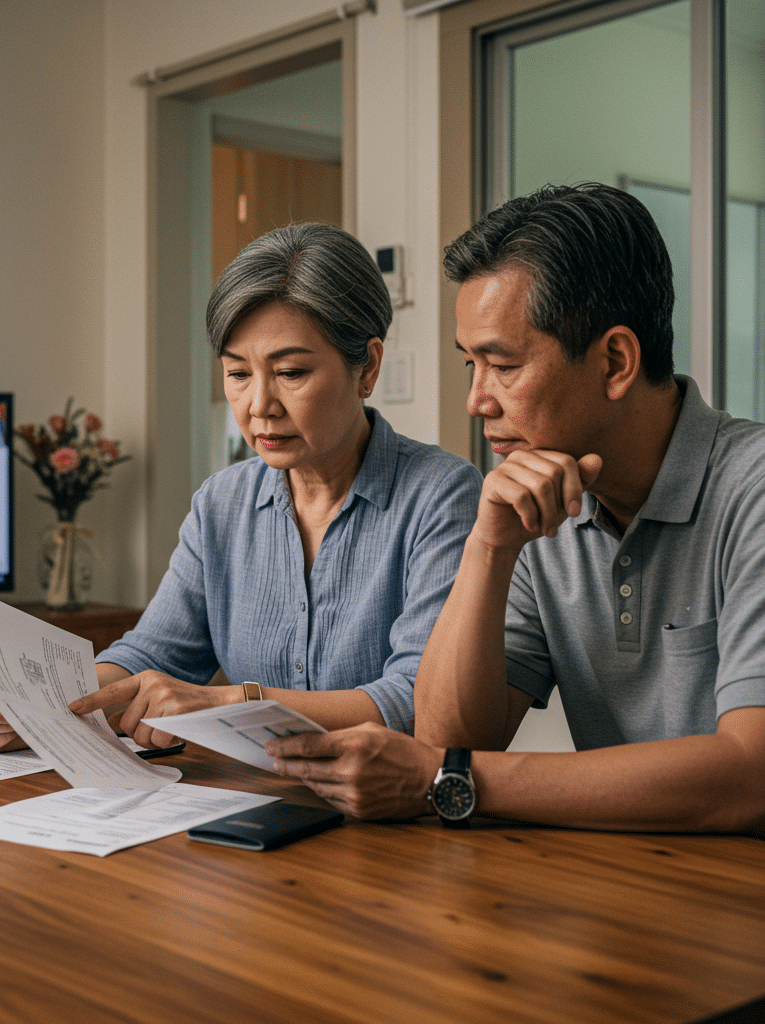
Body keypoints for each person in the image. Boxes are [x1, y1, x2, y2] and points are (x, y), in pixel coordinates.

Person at [267, 184, 765, 833]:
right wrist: (489, 548)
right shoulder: (536, 503)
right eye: (469, 364)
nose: (477, 401)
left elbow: (750, 774)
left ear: (616, 361)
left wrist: (452, 781)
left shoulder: (752, 488)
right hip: (625, 876)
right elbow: (450, 740)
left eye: (501, 365)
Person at [0, 222, 482, 752]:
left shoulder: (441, 495)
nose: (259, 405)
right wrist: (37, 703)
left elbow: (414, 700)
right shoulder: (222, 502)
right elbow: (152, 654)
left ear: (367, 367)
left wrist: (234, 702)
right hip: (253, 793)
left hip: (387, 801)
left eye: (291, 372)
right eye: (238, 374)